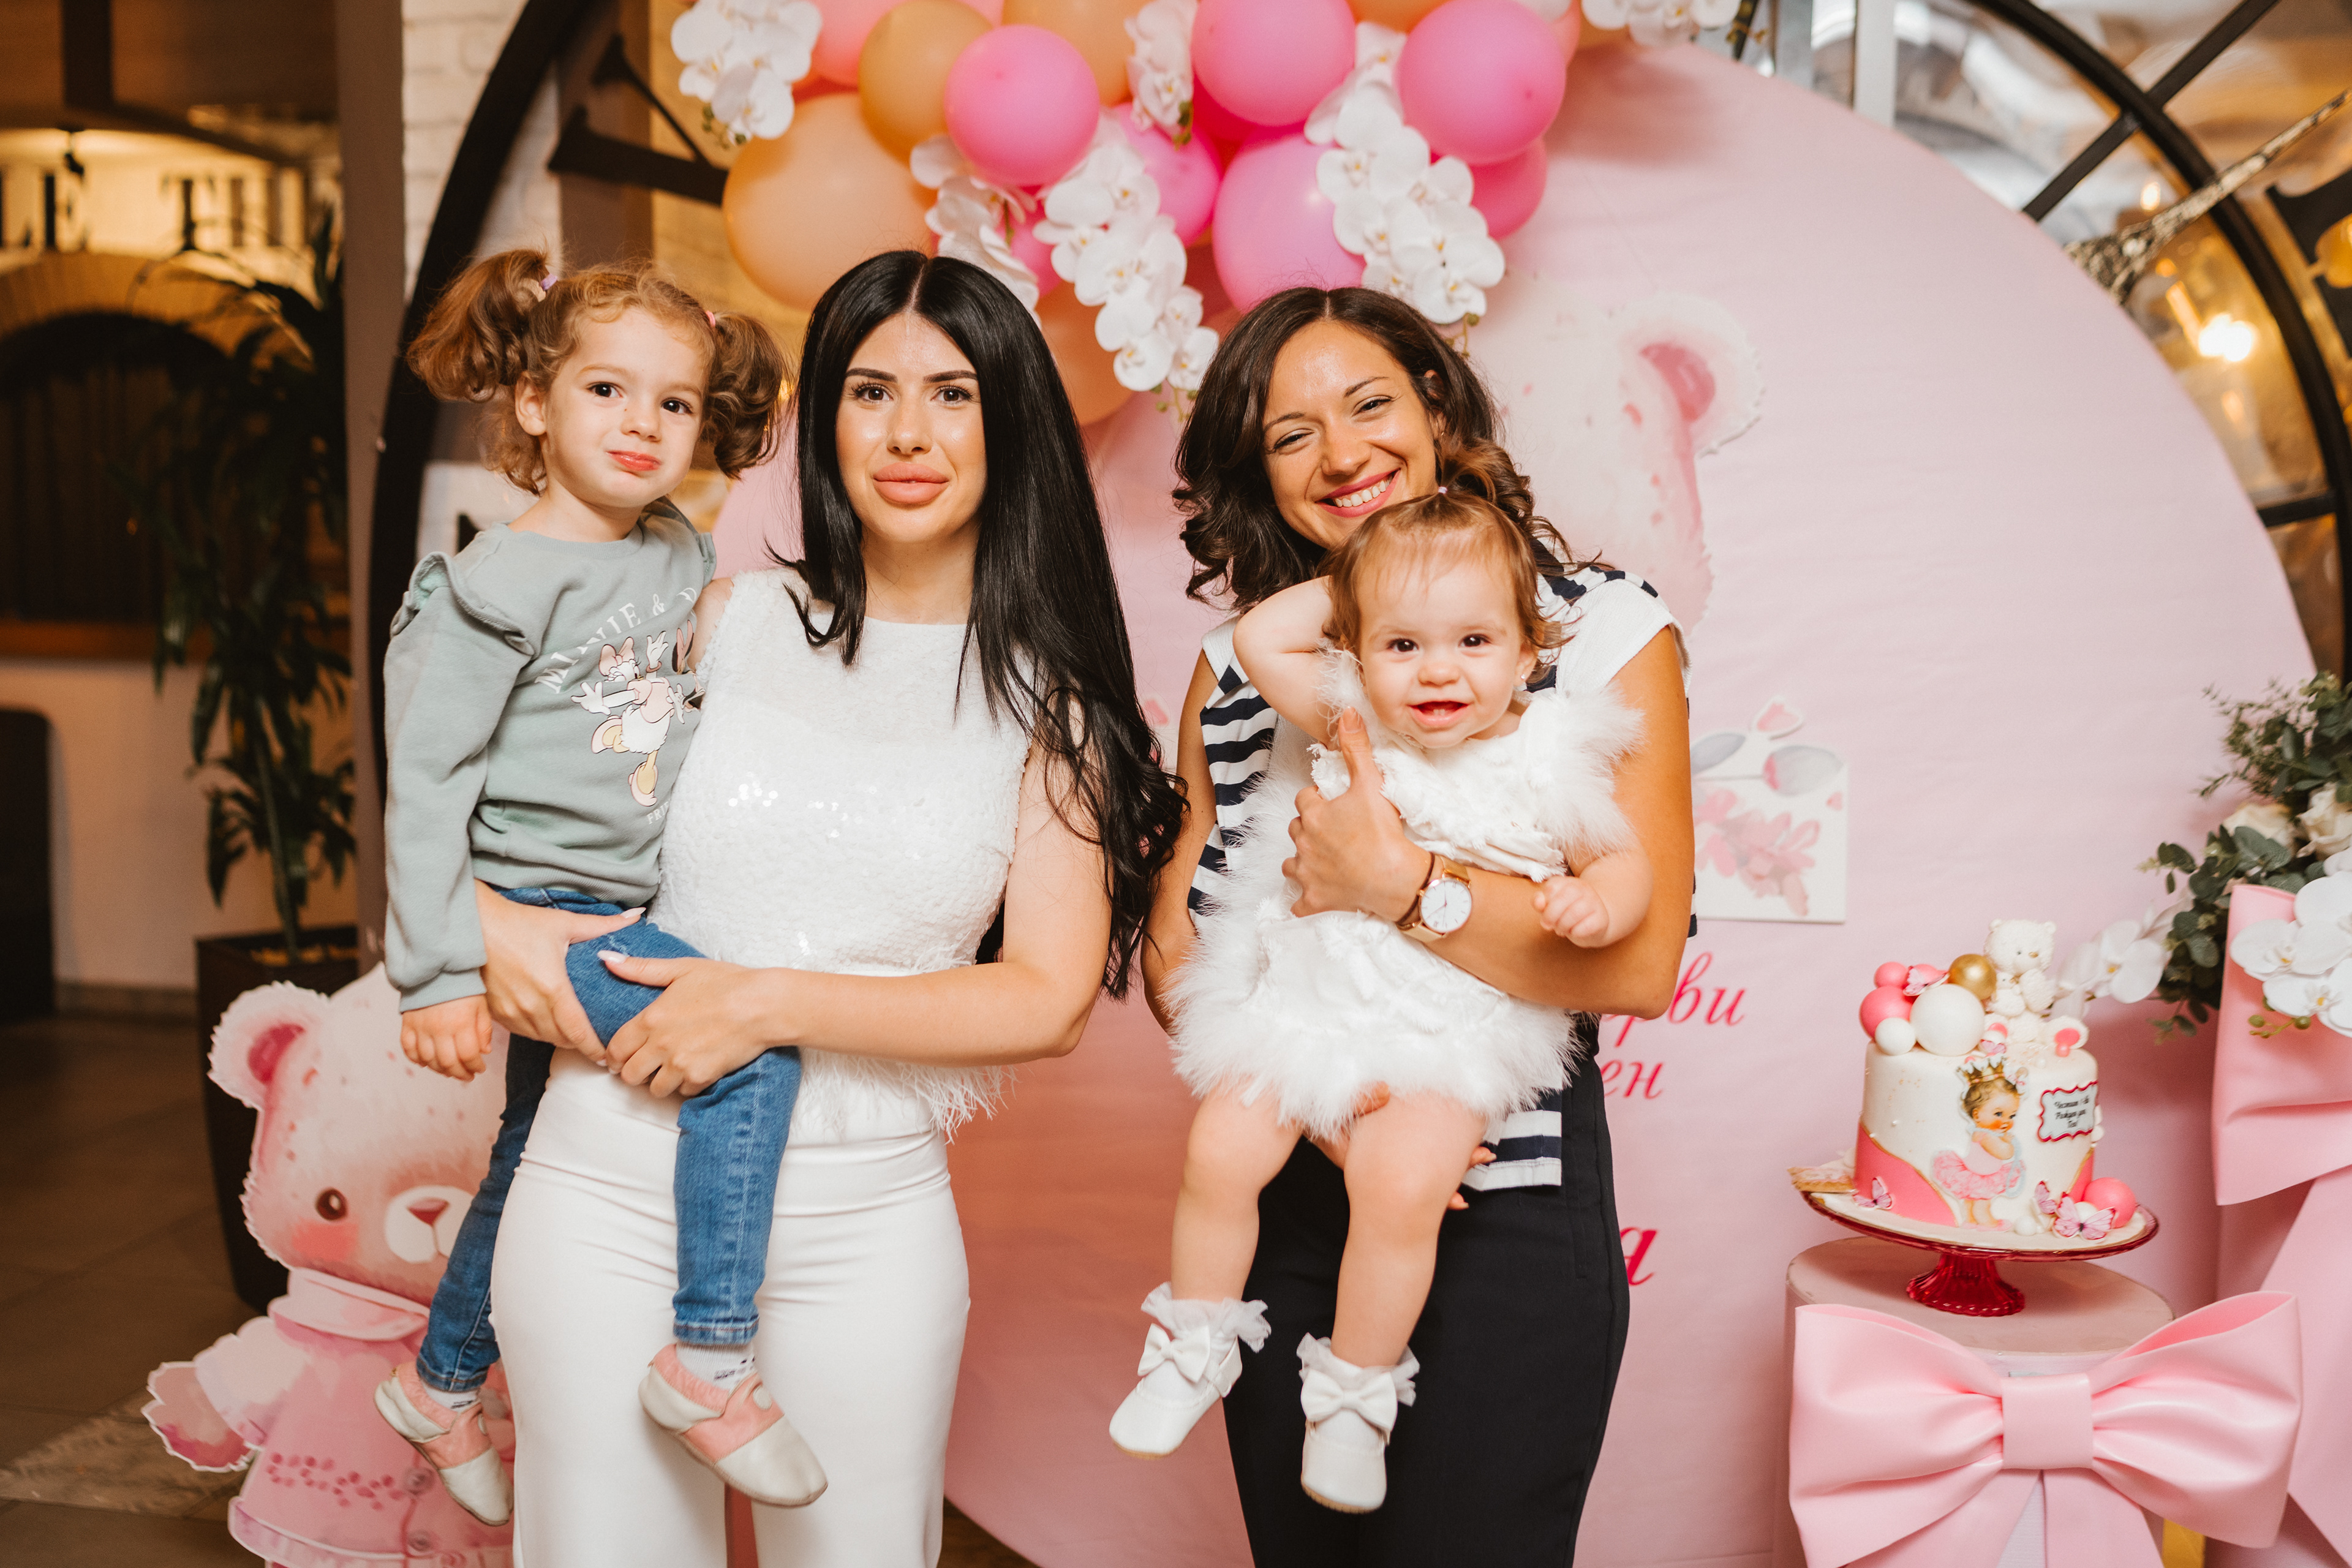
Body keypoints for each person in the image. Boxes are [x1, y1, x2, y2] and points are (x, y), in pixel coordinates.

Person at [472, 250, 1184, 1566]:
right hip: (605, 1187)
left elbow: (1045, 999)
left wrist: (763, 1003)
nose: (908, 432)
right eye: (869, 391)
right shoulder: (713, 621)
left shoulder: (1056, 708)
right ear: (825, 422)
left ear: (1012, 423)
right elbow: (505, 800)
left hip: (864, 1222)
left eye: (953, 394)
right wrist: (478, 920)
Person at [1142, 286, 1695, 1564]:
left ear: (1437, 407)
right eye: (1290, 435)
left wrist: (1397, 882)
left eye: (1370, 404)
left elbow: (1639, 959)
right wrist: (1331, 1102)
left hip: (1497, 1199)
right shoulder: (1239, 669)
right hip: (1285, 1195)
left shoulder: (1593, 625)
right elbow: (1183, 936)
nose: (1341, 452)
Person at [372, 251, 809, 1523]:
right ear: (532, 401)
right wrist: (440, 972)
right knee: (744, 1056)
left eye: (674, 402)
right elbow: (426, 783)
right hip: (542, 903)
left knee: (532, 1144)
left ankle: (441, 1382)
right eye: (607, 389)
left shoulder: (674, 546)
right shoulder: (492, 585)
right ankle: (710, 1356)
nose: (641, 424)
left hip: (631, 899)